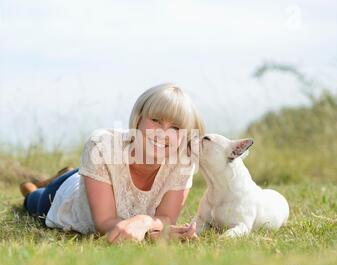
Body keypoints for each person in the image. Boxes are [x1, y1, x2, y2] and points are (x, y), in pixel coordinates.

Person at [20, 83, 205, 244]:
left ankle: (68, 172)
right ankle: (47, 183)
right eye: (155, 120)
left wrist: (144, 222)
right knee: (34, 199)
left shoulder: (183, 160)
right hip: (70, 192)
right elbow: (104, 224)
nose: (162, 133)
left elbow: (166, 218)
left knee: (75, 174)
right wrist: (152, 230)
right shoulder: (101, 146)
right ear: (138, 118)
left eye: (175, 127)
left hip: (97, 178)